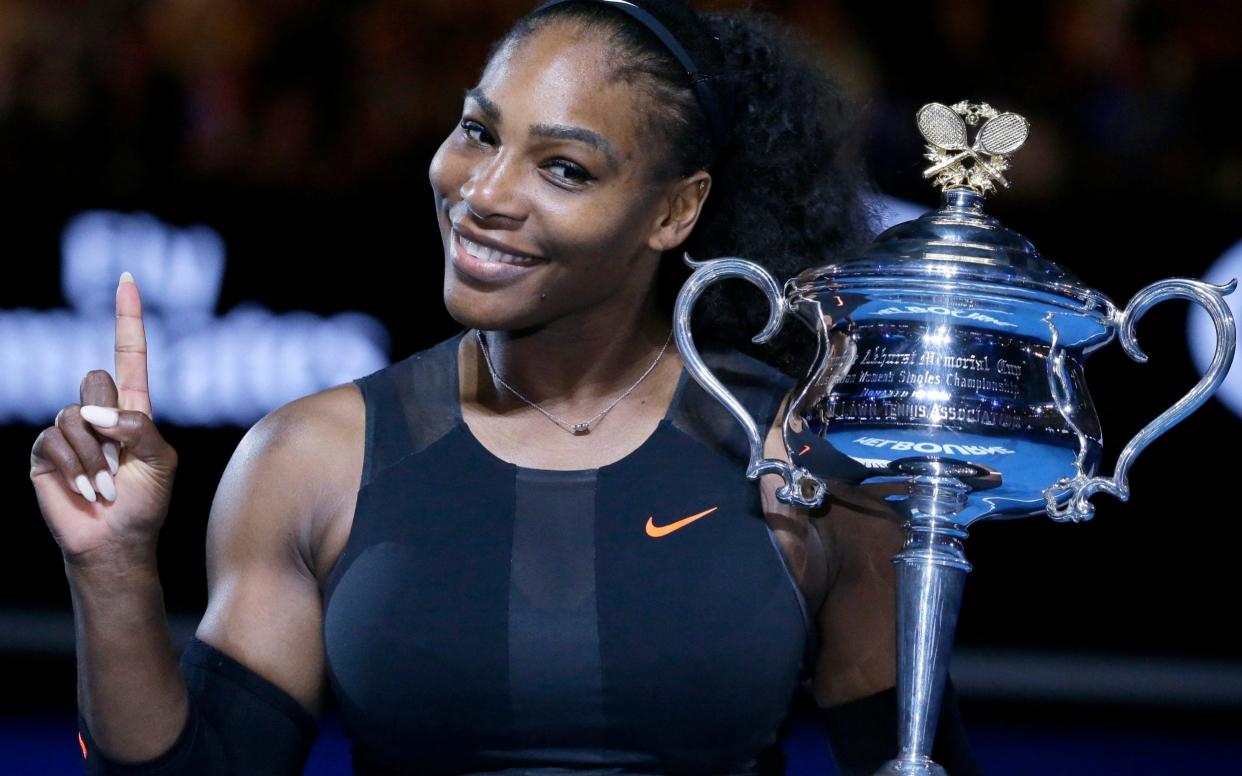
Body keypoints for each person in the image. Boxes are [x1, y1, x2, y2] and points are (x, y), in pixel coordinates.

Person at [29, 1, 979, 774]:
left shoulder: (805, 459)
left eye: (562, 167)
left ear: (676, 209)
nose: (483, 192)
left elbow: (913, 759)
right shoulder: (306, 460)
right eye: (479, 129)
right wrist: (109, 570)